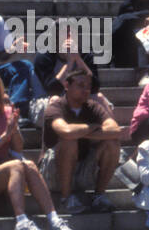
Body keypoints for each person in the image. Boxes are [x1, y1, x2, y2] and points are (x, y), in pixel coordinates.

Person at [0, 67, 76, 230]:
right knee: (16, 165)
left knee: (28, 164)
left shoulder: (6, 112)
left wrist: (13, 129)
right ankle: (22, 224)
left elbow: (18, 149)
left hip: (3, 168)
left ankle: (54, 220)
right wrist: (3, 137)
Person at [39, 67, 121, 215]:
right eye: (81, 85)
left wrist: (81, 133)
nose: (86, 90)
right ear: (66, 86)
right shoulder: (55, 107)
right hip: (53, 172)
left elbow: (115, 130)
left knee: (112, 143)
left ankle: (99, 196)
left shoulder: (93, 106)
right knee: (68, 142)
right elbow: (65, 131)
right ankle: (66, 199)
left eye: (88, 87)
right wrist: (93, 127)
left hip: (82, 168)